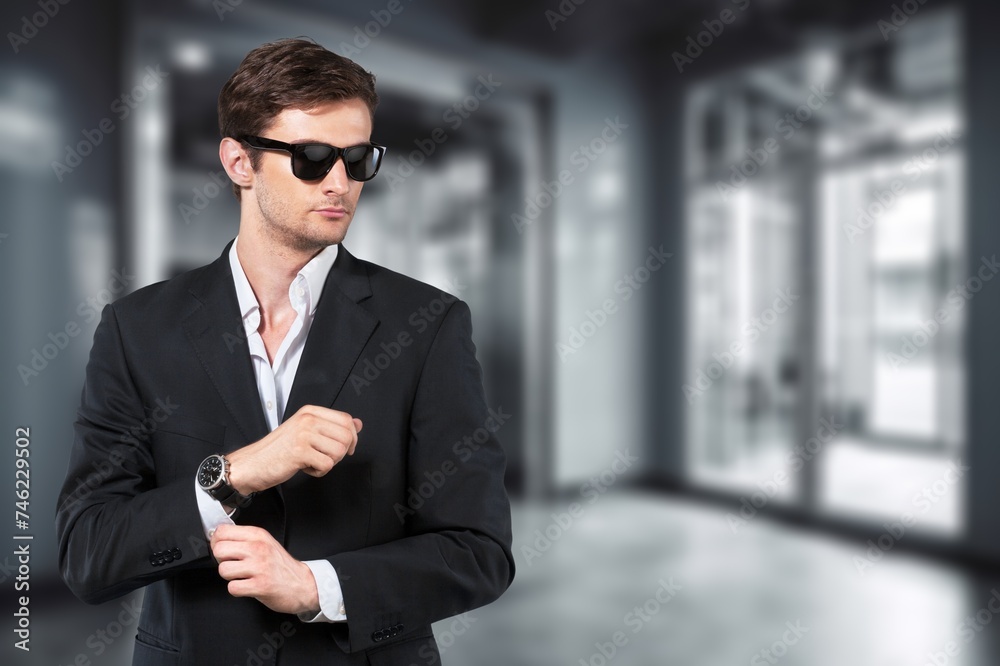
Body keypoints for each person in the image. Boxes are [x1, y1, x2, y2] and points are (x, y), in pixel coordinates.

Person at [55, 38, 514, 665]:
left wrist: (314, 588)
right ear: (239, 162)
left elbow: (478, 550)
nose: (340, 183)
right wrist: (234, 473)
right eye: (311, 157)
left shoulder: (429, 325)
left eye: (358, 159)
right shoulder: (137, 329)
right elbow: (89, 553)